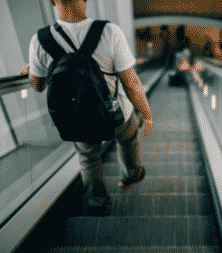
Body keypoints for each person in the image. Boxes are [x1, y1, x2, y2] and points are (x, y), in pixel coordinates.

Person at [18, 0, 153, 211]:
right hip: (116, 112)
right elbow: (131, 82)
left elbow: (38, 86)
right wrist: (146, 114)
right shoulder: (109, 31)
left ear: (53, 1)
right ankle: (131, 176)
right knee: (128, 139)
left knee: (88, 157)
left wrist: (30, 70)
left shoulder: (40, 40)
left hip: (77, 117)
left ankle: (98, 202)